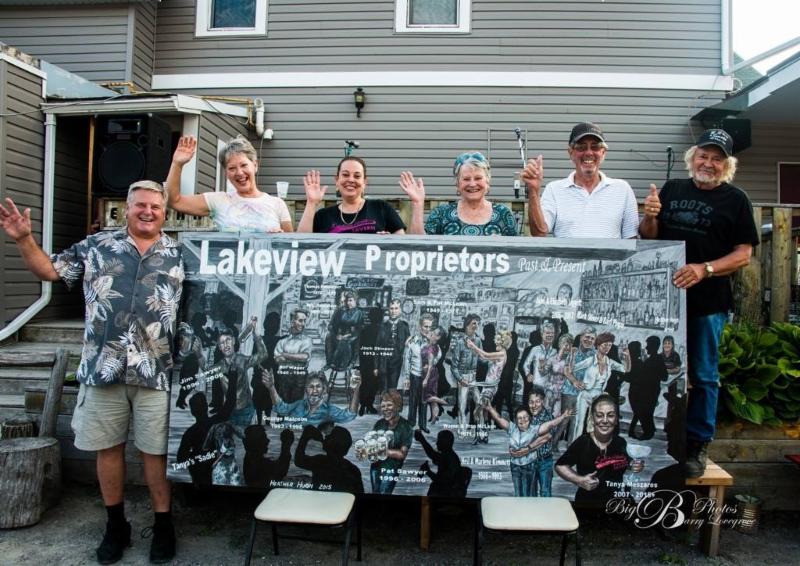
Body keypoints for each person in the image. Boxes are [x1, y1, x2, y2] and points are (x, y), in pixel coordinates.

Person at [1, 183, 183, 563]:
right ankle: (116, 526)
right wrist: (23, 239)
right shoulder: (97, 246)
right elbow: (49, 270)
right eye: (140, 205)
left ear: (165, 212)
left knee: (155, 454)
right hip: (103, 369)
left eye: (155, 206)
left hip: (156, 372)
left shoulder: (180, 254)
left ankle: (164, 526)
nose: (147, 212)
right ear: (126, 209)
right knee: (108, 450)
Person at [639, 128, 759, 477]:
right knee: (657, 370)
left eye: (717, 158)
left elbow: (743, 254)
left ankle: (697, 444)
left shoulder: (737, 200)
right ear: (693, 158)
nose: (708, 163)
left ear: (727, 165)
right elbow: (649, 238)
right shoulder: (673, 189)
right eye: (703, 156)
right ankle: (656, 432)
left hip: (708, 304)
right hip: (664, 302)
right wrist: (650, 216)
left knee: (704, 376)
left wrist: (704, 269)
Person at [524, 122, 639, 238]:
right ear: (571, 153)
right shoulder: (554, 189)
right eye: (581, 147)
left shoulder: (622, 189)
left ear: (603, 153)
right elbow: (539, 232)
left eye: (595, 147)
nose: (589, 152)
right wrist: (533, 190)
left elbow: (631, 239)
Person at [164, 135, 293, 232]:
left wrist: (278, 238)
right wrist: (177, 164)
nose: (239, 173)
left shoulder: (277, 204)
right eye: (232, 168)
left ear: (255, 165)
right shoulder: (218, 200)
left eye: (244, 165)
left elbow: (291, 247)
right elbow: (173, 201)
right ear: (226, 173)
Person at [556, 394, 644, 506]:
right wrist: (579, 480)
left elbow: (625, 462)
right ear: (592, 419)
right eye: (599, 415)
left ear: (616, 419)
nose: (605, 420)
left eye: (610, 415)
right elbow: (560, 466)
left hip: (615, 503)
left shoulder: (620, 442)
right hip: (588, 503)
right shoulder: (583, 442)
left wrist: (634, 465)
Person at [402, 152, 518, 236]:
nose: (472, 184)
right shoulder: (441, 214)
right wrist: (417, 203)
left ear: (487, 182)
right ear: (457, 184)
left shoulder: (503, 214)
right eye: (466, 179)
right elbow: (420, 249)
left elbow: (516, 254)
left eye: (478, 178)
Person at [298, 156, 406, 233]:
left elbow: (404, 247)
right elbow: (300, 245)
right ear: (337, 180)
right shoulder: (323, 216)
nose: (350, 180)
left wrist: (388, 242)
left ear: (364, 182)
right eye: (345, 175)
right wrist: (311, 203)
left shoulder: (381, 208)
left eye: (357, 176)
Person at [484, 402, 568, 497]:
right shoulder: (512, 428)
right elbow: (499, 418)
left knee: (528, 496)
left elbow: (550, 424)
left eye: (525, 417)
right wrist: (490, 408)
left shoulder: (534, 429)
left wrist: (563, 416)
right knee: (518, 494)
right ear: (516, 420)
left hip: (529, 466)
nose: (522, 420)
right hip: (515, 467)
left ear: (530, 418)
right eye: (519, 418)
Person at [569, 332, 630, 440]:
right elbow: (572, 369)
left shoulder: (609, 362)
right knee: (579, 424)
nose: (607, 348)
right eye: (605, 345)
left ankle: (592, 447)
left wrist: (627, 358)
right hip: (585, 395)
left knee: (595, 425)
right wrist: (576, 380)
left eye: (609, 345)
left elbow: (626, 369)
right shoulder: (591, 360)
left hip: (598, 397)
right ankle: (576, 445)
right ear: (598, 345)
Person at [209, 321, 268, 429]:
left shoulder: (242, 360)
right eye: (222, 343)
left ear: (233, 341)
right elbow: (205, 371)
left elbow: (263, 355)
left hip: (246, 410)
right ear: (219, 347)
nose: (226, 345)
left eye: (228, 340)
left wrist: (256, 335)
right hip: (229, 411)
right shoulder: (219, 366)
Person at [465, 329, 513, 443]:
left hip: (490, 387)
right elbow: (484, 358)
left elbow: (485, 355)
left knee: (478, 411)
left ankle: (479, 435)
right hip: (489, 386)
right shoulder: (500, 354)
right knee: (484, 411)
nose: (495, 341)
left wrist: (473, 346)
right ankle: (484, 436)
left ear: (502, 342)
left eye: (497, 340)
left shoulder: (502, 353)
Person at [264, 370, 360, 427]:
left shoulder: (328, 410)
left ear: (324, 390)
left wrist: (356, 390)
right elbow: (281, 408)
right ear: (306, 390)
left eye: (318, 387)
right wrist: (271, 387)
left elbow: (350, 415)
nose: (314, 390)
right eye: (311, 387)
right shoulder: (299, 404)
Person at [295, 425, 364, 494]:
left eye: (330, 436)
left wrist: (305, 436)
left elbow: (298, 460)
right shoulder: (354, 470)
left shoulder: (321, 462)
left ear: (333, 443)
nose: (326, 436)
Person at [370, 390, 413, 495]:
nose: (385, 409)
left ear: (398, 406)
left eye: (389, 405)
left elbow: (402, 454)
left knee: (384, 493)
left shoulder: (406, 426)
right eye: (383, 406)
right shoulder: (379, 424)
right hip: (376, 467)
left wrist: (382, 450)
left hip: (391, 469)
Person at [624, 337, 668, 441]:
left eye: (648, 345)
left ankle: (648, 432)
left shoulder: (650, 361)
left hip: (647, 392)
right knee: (644, 412)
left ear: (654, 346)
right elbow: (664, 376)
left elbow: (634, 377)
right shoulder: (651, 360)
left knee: (643, 412)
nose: (646, 347)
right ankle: (644, 431)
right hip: (649, 391)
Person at [401, 313, 438, 432]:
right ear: (420, 326)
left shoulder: (432, 342)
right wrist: (407, 377)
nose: (427, 329)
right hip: (415, 375)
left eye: (430, 327)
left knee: (424, 401)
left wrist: (432, 362)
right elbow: (407, 359)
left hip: (426, 376)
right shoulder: (412, 341)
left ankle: (423, 425)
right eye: (425, 326)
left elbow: (438, 357)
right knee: (413, 400)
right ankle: (411, 423)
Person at [449, 314, 482, 435]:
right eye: (474, 323)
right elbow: (454, 366)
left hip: (474, 376)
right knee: (462, 405)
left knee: (479, 403)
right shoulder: (460, 343)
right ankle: (462, 430)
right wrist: (460, 379)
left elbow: (482, 358)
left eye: (477, 323)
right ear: (467, 325)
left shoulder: (478, 341)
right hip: (463, 377)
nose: (476, 326)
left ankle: (480, 430)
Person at [326, 290, 366, 385]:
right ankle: (331, 362)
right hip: (341, 335)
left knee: (345, 342)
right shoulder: (342, 312)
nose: (348, 303)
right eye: (347, 300)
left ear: (355, 301)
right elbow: (336, 325)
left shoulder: (359, 313)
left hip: (354, 336)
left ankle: (343, 363)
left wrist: (348, 334)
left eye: (351, 300)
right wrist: (337, 334)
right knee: (329, 337)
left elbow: (360, 328)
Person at [273, 309, 313, 403]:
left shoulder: (307, 340)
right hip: (283, 377)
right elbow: (277, 359)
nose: (303, 324)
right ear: (292, 322)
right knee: (282, 405)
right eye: (300, 320)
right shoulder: (282, 341)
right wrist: (296, 357)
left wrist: (285, 355)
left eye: (304, 321)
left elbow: (304, 357)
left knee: (296, 405)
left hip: (299, 378)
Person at [374, 299, 411, 392]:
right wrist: (376, 366)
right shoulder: (382, 326)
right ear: (388, 310)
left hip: (397, 362)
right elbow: (377, 347)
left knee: (393, 388)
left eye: (396, 308)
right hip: (383, 362)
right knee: (383, 389)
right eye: (391, 308)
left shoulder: (404, 326)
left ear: (400, 310)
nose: (394, 311)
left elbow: (408, 347)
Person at [521, 321, 558, 406]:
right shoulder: (535, 349)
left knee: (547, 409)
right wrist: (528, 374)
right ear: (542, 334)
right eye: (547, 333)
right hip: (537, 385)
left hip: (550, 388)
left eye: (552, 333)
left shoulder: (555, 351)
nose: (550, 335)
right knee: (536, 408)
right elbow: (526, 364)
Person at [422, 326, 449, 425]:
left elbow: (430, 365)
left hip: (429, 373)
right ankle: (434, 418)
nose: (431, 332)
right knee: (433, 397)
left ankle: (442, 401)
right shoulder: (434, 346)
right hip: (433, 373)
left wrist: (426, 379)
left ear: (438, 337)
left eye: (434, 332)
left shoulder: (432, 348)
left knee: (425, 397)